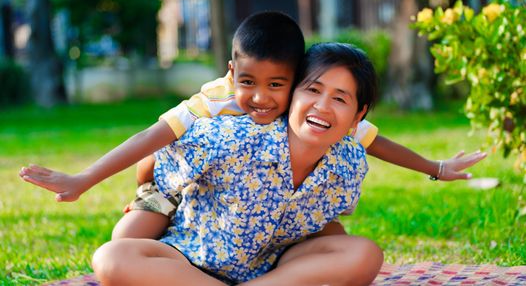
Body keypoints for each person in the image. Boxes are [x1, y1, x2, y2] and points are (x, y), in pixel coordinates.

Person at [19, 11, 486, 240]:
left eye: (276, 85)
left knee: (334, 240)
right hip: (177, 188)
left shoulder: (306, 106)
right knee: (128, 236)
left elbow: (375, 140)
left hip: (254, 209)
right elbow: (153, 138)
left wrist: (436, 167)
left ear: (296, 78)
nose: (261, 98)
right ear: (230, 73)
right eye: (248, 83)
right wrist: (83, 179)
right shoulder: (217, 100)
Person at [92, 42, 384, 286]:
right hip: (189, 262)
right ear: (292, 91)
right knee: (111, 258)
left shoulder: (349, 163)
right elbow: (160, 155)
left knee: (366, 254)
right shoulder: (233, 137)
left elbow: (328, 225)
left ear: (359, 115)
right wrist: (147, 198)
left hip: (274, 268)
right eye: (313, 90)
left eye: (340, 99)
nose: (322, 106)